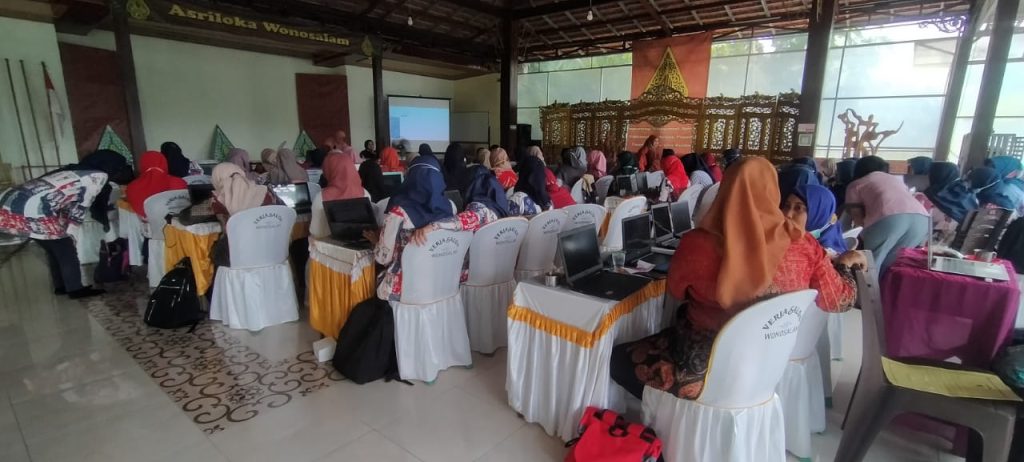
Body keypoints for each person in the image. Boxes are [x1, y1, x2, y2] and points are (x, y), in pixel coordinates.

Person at [609, 157, 860, 400]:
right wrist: (845, 264)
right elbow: (840, 300)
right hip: (769, 364)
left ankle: (669, 413)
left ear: (725, 190)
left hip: (703, 368)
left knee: (617, 358)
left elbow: (676, 290)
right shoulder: (804, 244)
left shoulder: (699, 243)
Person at [0, 149, 131, 299]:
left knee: (54, 248)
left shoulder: (75, 170)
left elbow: (66, 199)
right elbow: (81, 205)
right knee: (66, 249)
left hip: (10, 201)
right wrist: (71, 232)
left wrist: (65, 226)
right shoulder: (98, 175)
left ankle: (61, 286)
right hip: (32, 208)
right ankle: (75, 289)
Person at [365, 155, 454, 301]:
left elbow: (383, 258)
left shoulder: (398, 213)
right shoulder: (450, 207)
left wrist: (376, 241)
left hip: (405, 289)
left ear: (410, 177)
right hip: (442, 283)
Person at [845, 156, 929, 272]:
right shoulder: (895, 179)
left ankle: (869, 284)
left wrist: (865, 236)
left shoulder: (856, 184)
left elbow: (857, 217)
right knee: (892, 265)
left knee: (870, 265)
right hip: (922, 220)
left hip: (890, 219)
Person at [915, 162, 976, 244]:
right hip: (962, 242)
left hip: (934, 244)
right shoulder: (967, 194)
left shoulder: (930, 195)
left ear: (935, 176)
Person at [785, 185, 848, 255]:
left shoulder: (823, 256)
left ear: (819, 214)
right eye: (787, 206)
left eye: (798, 208)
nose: (788, 214)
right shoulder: (786, 235)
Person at [124, 151, 187, 218]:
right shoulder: (180, 182)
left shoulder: (131, 187)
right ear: (164, 163)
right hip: (175, 221)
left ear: (142, 165)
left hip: (148, 221)